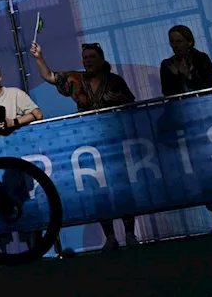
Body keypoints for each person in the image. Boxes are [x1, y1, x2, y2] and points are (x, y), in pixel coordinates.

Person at [30, 41, 138, 250]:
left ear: (101, 59)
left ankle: (130, 233)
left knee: (122, 187)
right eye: (85, 58)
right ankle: (110, 236)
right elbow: (50, 77)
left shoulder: (115, 81)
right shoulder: (76, 79)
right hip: (90, 144)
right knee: (99, 189)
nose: (88, 60)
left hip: (114, 142)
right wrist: (39, 58)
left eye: (92, 57)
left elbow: (131, 104)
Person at [160, 25, 212, 96]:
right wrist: (176, 77)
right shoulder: (167, 64)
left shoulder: (201, 58)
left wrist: (188, 76)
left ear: (189, 42)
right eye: (172, 42)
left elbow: (210, 84)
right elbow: (167, 92)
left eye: (179, 41)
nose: (175, 45)